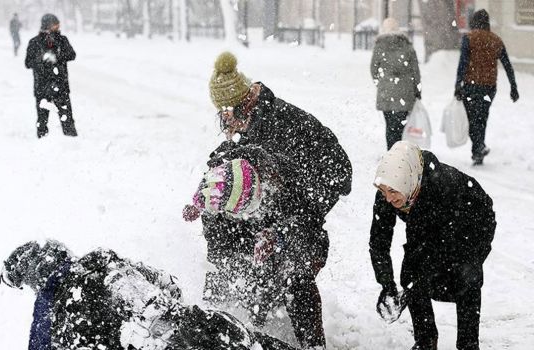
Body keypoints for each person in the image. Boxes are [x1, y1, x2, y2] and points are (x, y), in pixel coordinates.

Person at [193, 51, 352, 349]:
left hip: (309, 203)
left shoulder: (282, 127)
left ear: (242, 106)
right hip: (275, 203)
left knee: (293, 268)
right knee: (232, 257)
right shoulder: (249, 129)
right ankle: (227, 325)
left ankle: (312, 344)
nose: (224, 122)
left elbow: (333, 180)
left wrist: (280, 231)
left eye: (225, 114)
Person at [0, 240, 298, 350]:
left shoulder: (56, 322)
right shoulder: (102, 258)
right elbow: (169, 284)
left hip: (156, 342)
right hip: (193, 323)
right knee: (249, 340)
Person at [369, 141, 496, 350]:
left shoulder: (441, 185)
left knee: (466, 276)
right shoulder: (390, 187)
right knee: (410, 274)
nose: (388, 198)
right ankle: (426, 340)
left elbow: (433, 246)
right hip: (432, 225)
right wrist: (387, 285)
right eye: (383, 190)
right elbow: (378, 241)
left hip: (472, 222)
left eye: (392, 191)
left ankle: (468, 343)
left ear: (407, 182)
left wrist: (416, 282)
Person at [454, 9, 519, 165]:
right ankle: (479, 150)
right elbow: (507, 65)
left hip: (471, 86)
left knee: (472, 120)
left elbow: (463, 63)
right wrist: (513, 86)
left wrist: (458, 84)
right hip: (489, 88)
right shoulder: (496, 40)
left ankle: (478, 147)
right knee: (482, 118)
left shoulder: (469, 38)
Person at [370, 18, 422, 150]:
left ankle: (391, 152)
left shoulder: (379, 45)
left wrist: (381, 83)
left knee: (390, 125)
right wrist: (417, 90)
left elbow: (373, 69)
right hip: (405, 92)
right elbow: (415, 71)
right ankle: (399, 152)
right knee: (400, 126)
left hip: (386, 92)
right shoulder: (407, 46)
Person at [25, 14, 77, 138]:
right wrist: (41, 60)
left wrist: (57, 57)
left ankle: (72, 142)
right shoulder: (34, 42)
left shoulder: (62, 40)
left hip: (61, 85)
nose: (58, 26)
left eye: (58, 23)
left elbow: (72, 55)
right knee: (42, 119)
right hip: (42, 87)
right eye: (55, 23)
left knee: (67, 117)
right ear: (47, 25)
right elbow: (28, 63)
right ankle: (43, 143)